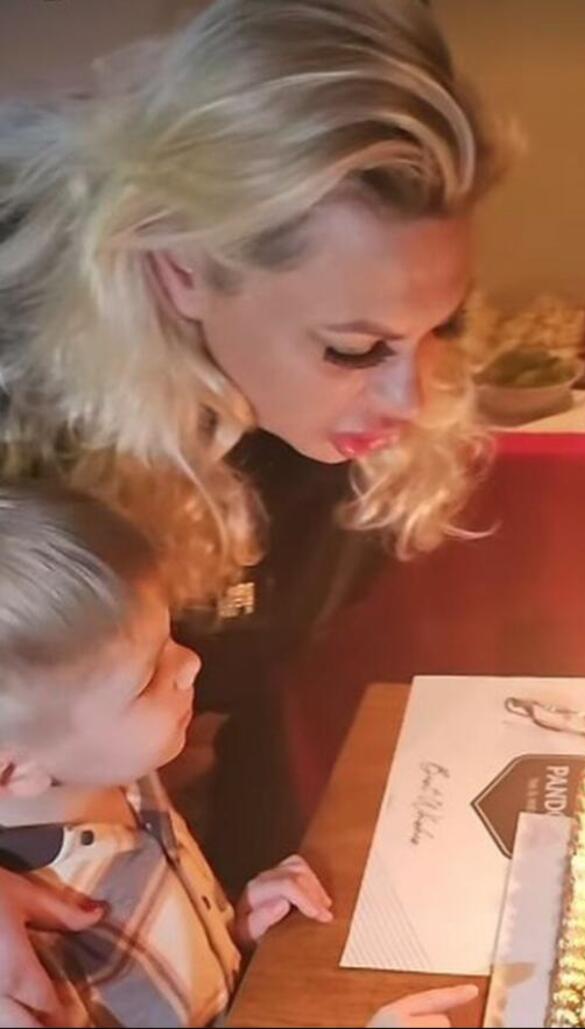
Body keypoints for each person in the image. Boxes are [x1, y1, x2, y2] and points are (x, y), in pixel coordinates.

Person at [0, 0, 510, 1021]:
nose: (413, 399)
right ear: (180, 267)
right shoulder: (27, 401)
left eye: (440, 327)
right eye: (354, 347)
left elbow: (225, 698)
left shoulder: (326, 439)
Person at [0, 481, 479, 1028]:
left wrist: (235, 933)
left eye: (169, 638)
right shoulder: (25, 957)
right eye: (145, 680)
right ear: (13, 771)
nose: (189, 665)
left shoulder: (123, 774)